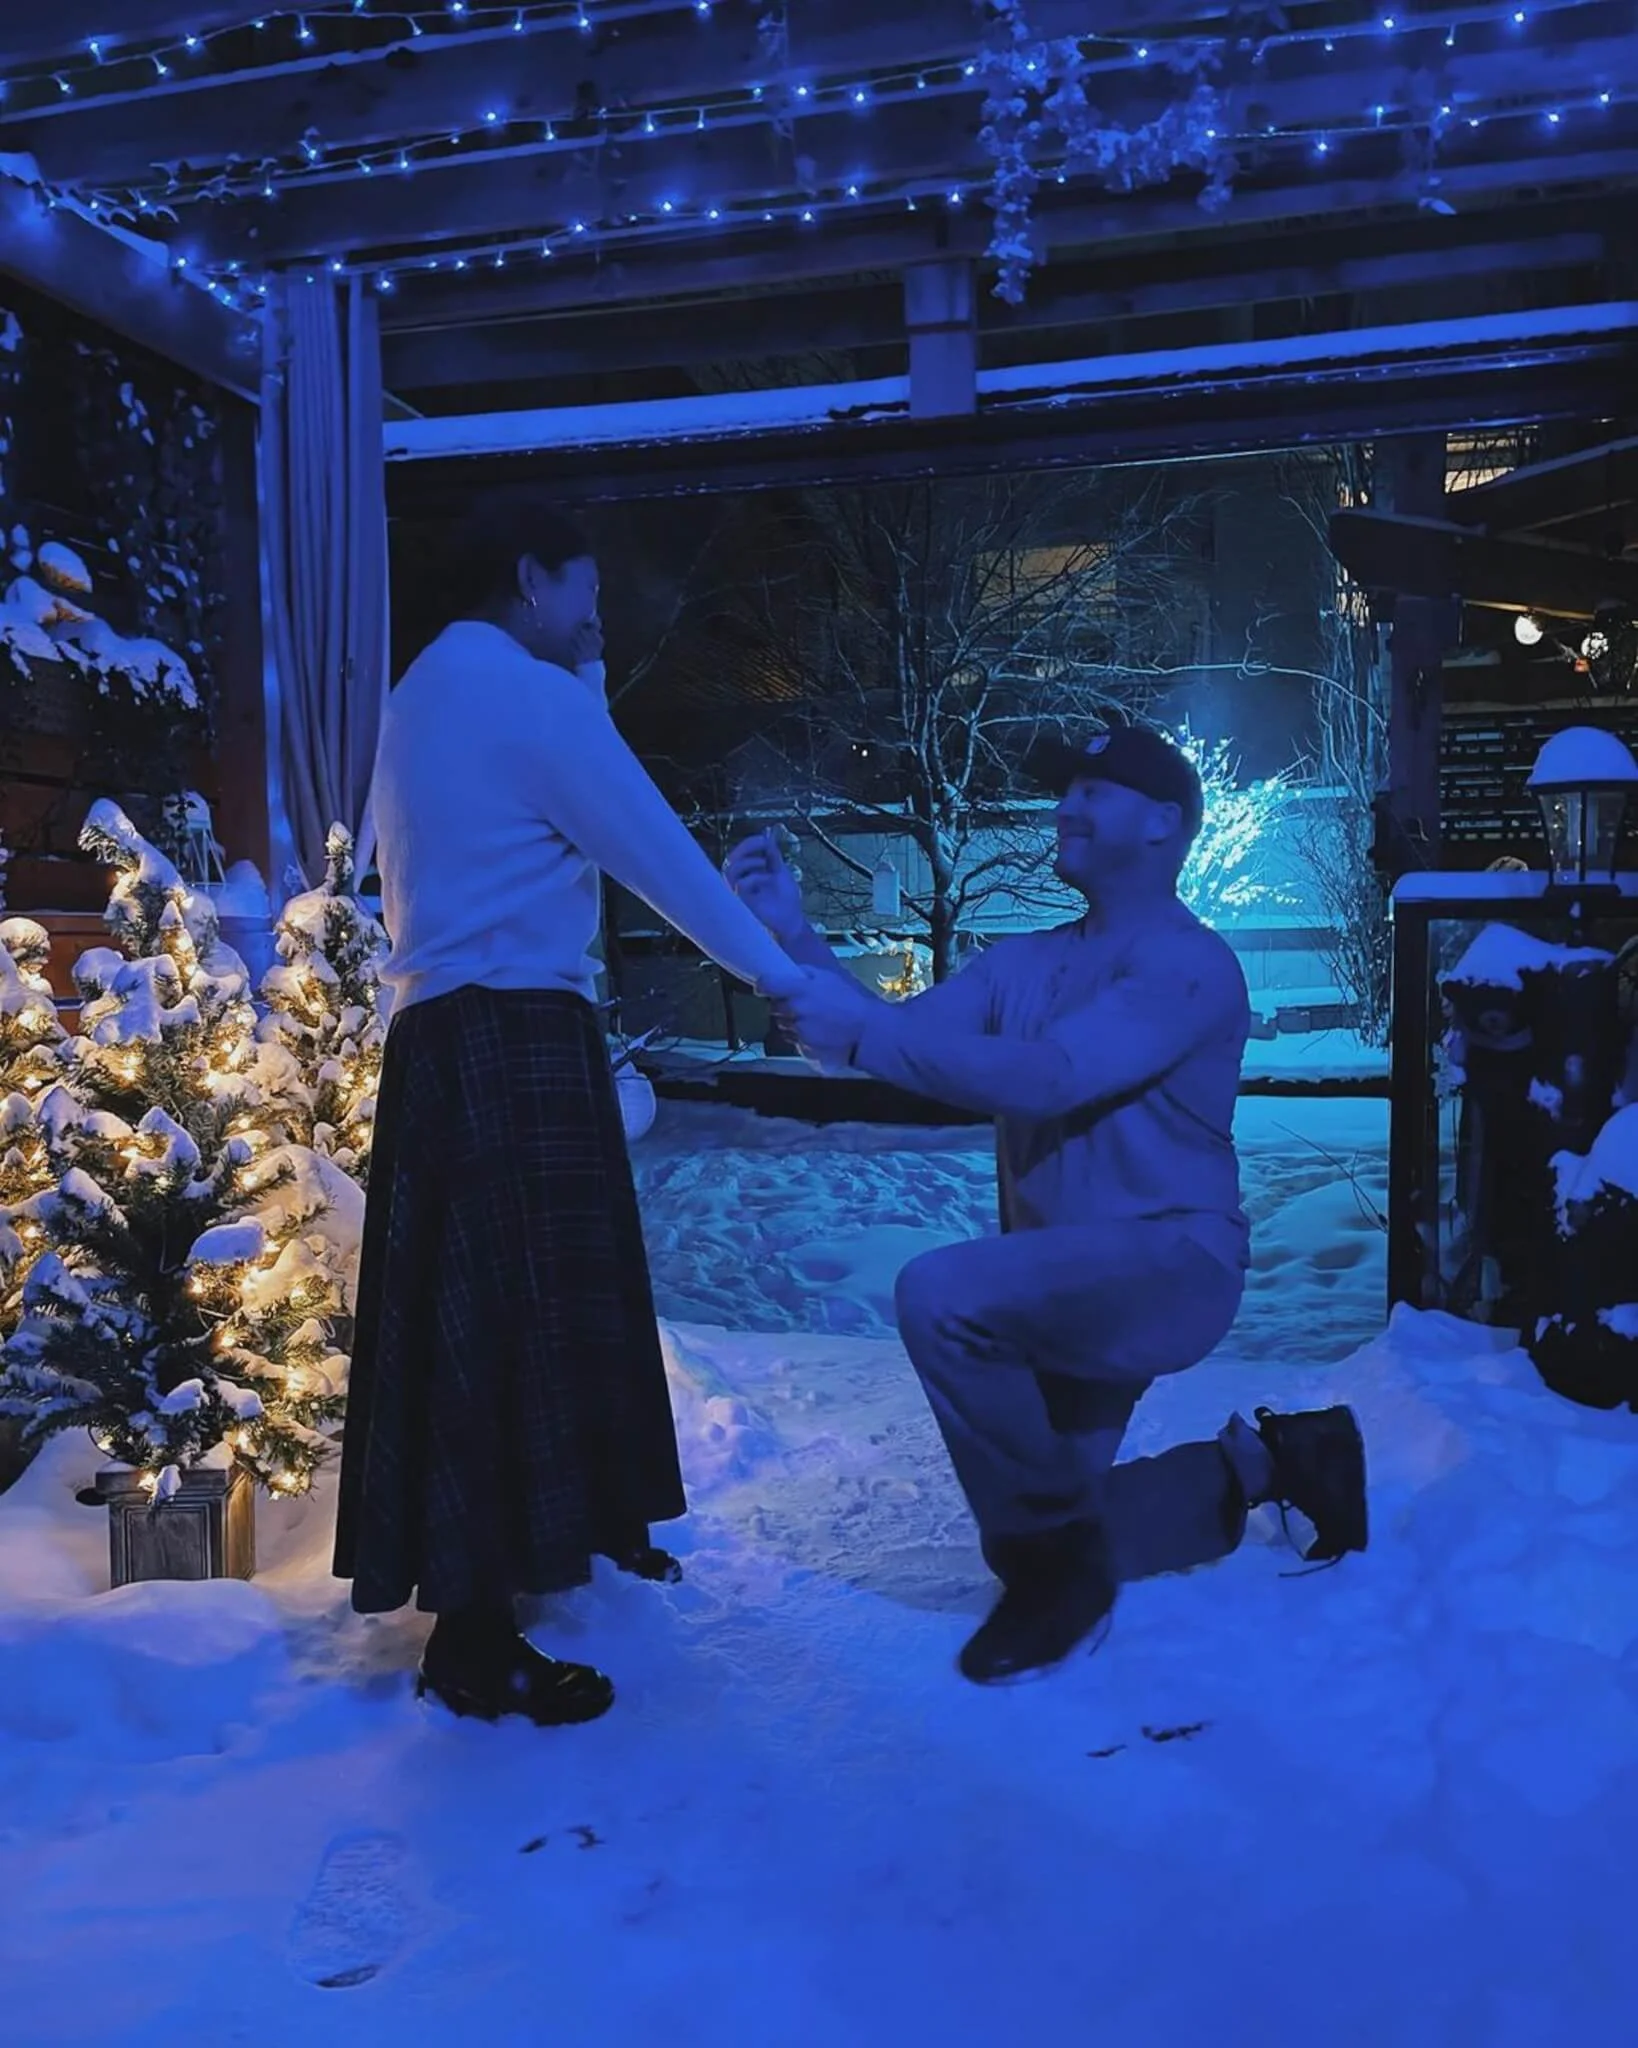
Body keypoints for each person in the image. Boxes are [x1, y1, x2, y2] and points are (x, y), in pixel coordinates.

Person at [726, 725, 1368, 1685]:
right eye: (1067, 790)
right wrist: (791, 933)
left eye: (1095, 791)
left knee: (942, 1294)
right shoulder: (1017, 964)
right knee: (1041, 1537)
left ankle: (1063, 1572)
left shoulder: (1189, 964)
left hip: (1168, 1268)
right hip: (1063, 1284)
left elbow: (1053, 1075)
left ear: (1163, 824)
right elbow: (896, 1040)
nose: (1066, 807)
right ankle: (1275, 1462)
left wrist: (861, 1036)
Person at [334, 503, 807, 1728]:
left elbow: (561, 787)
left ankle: (571, 1527)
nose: (599, 620)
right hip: (516, 1032)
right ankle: (473, 1639)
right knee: (517, 1314)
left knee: (508, 1306)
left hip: (442, 1034)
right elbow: (651, 844)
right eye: (585, 598)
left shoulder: (426, 692)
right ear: (529, 578)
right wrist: (782, 975)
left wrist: (582, 675)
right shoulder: (519, 697)